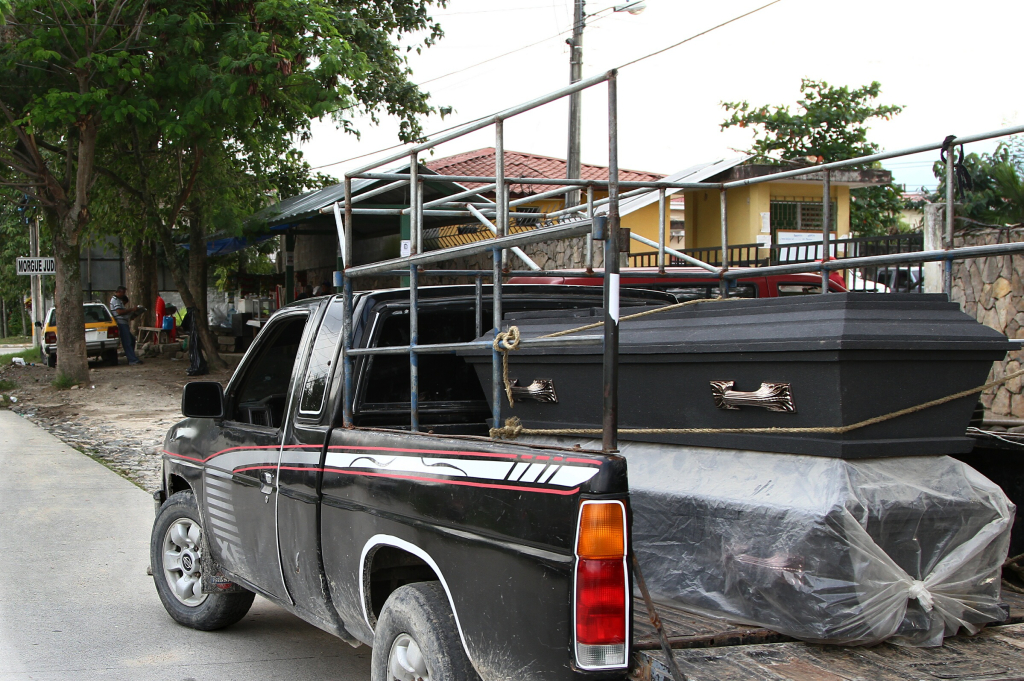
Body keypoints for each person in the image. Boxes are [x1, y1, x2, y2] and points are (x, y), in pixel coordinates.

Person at [109, 286, 143, 365]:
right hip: (120, 322)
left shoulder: (119, 300)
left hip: (124, 322)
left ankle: (132, 357)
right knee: (127, 341)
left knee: (131, 339)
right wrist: (131, 309)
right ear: (119, 292)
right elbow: (119, 312)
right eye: (123, 293)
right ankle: (132, 359)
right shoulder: (115, 300)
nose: (124, 294)